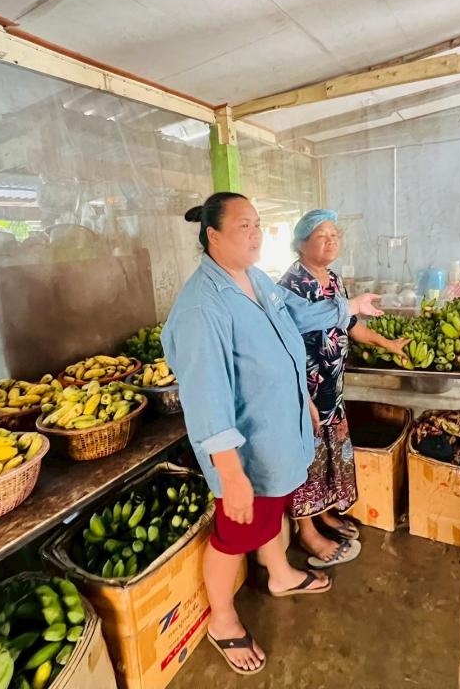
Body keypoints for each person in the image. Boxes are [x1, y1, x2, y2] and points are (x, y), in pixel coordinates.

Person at [162, 192, 383, 676]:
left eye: (258, 224)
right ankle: (222, 621)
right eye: (244, 226)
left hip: (278, 433)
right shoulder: (204, 307)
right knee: (232, 536)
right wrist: (231, 472)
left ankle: (280, 574)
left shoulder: (255, 279)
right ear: (212, 236)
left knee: (271, 516)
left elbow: (297, 321)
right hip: (247, 449)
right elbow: (206, 398)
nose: (256, 234)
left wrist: (346, 309)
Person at [279, 210, 408, 567]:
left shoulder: (333, 279)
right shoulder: (290, 286)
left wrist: (387, 343)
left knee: (332, 453)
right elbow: (293, 333)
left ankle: (324, 514)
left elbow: (350, 323)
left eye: (335, 234)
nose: (332, 240)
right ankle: (306, 530)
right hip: (305, 390)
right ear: (301, 244)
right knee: (308, 459)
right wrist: (302, 396)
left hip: (332, 390)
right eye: (322, 236)